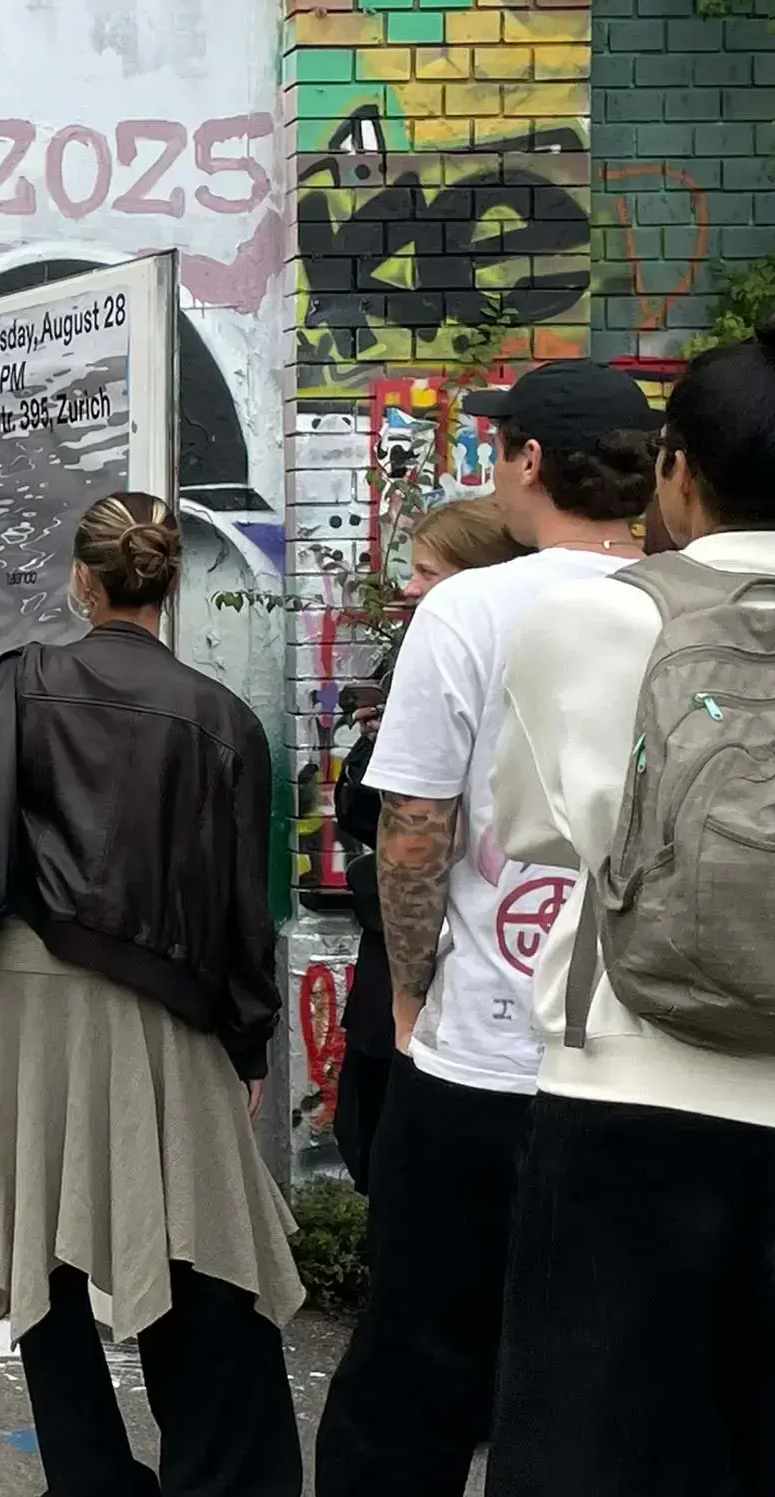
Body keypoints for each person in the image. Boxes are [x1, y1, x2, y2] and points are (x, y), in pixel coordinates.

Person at [314, 360, 661, 1497]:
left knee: (417, 1356)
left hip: (487, 1048)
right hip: (648, 1054)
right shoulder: (688, 594)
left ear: (524, 462)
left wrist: (409, 993)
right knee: (606, 1367)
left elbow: (410, 828)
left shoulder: (471, 605)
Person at [0, 491, 301, 1497]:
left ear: (82, 581)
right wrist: (247, 1042)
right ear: (169, 585)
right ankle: (218, 1470)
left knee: (43, 1240)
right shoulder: (222, 719)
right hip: (163, 1005)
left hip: (29, 990)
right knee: (196, 1236)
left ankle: (86, 1474)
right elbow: (240, 910)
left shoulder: (22, 684)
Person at [486, 324, 775, 1497]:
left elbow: (531, 825)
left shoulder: (595, 616)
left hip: (630, 1086)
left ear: (675, 470)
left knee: (598, 1452)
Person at [328, 497, 529, 1190]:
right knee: (365, 1135)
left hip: (454, 972)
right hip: (403, 959)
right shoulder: (420, 655)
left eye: (426, 570)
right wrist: (377, 747)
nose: (408, 587)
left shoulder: (484, 653)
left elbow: (415, 837)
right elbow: (359, 813)